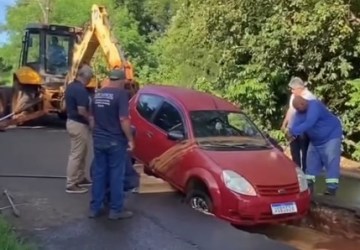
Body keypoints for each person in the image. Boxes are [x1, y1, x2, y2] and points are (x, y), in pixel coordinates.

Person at [89, 69, 135, 220]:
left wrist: (96, 134)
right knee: (116, 175)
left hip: (99, 140)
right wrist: (130, 139)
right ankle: (116, 210)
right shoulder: (121, 95)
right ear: (121, 81)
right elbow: (124, 120)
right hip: (115, 141)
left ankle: (94, 209)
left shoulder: (98, 94)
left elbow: (92, 119)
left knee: (99, 174)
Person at [288, 96, 343, 196]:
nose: (298, 111)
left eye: (298, 108)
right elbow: (295, 124)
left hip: (331, 135)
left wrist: (295, 131)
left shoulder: (315, 105)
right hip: (316, 140)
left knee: (331, 160)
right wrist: (291, 132)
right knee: (310, 162)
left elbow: (309, 122)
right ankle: (309, 186)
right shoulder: (299, 112)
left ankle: (331, 188)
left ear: (303, 103)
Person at [64, 64, 93, 194]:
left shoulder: (71, 86)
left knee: (82, 152)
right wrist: (91, 120)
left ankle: (80, 178)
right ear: (86, 77)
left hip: (73, 122)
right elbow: (82, 110)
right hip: (78, 124)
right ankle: (71, 183)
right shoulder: (80, 90)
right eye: (90, 77)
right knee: (76, 154)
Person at [281, 77, 316, 172]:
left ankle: (306, 175)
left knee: (305, 154)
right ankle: (297, 173)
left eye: (293, 89)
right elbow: (291, 110)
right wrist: (285, 124)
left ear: (299, 88)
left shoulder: (310, 98)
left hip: (304, 132)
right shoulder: (294, 96)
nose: (292, 91)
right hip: (292, 129)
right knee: (294, 153)